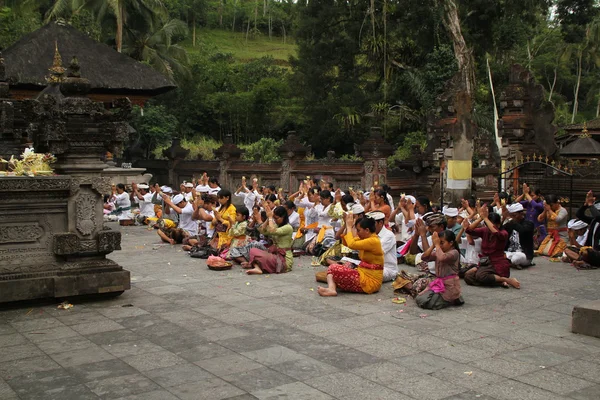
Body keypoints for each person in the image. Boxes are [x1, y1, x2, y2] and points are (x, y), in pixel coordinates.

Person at [318, 214, 384, 296]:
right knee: (333, 268)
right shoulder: (365, 238)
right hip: (362, 273)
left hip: (370, 281)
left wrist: (349, 227)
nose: (357, 233)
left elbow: (351, 244)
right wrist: (346, 225)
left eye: (358, 230)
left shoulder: (373, 241)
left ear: (367, 230)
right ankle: (331, 289)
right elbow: (346, 242)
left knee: (334, 267)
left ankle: (332, 288)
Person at [464, 206, 520, 289]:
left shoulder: (503, 233)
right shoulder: (485, 230)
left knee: (480, 276)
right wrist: (481, 218)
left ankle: (505, 279)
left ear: (498, 224)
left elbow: (496, 233)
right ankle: (500, 282)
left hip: (498, 264)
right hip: (485, 263)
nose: (489, 227)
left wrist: (486, 219)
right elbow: (469, 230)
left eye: (491, 224)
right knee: (468, 275)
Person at [415, 230, 463, 309]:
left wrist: (437, 245)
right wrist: (433, 245)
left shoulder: (454, 252)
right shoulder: (439, 251)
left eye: (442, 243)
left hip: (450, 286)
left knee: (430, 304)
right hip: (439, 283)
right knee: (420, 299)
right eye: (439, 242)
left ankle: (453, 298)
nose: (440, 245)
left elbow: (442, 258)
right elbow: (424, 257)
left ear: (451, 243)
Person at [246, 205, 294, 275]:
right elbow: (262, 230)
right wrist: (268, 218)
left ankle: (256, 265)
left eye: (276, 218)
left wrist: (271, 217)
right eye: (274, 218)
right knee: (253, 250)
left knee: (257, 254)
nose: (275, 220)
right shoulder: (276, 225)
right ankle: (257, 267)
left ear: (283, 217)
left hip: (284, 259)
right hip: (274, 255)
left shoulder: (288, 227)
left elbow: (272, 231)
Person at [368, 211, 397, 282]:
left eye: (372, 224)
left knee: (364, 274)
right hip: (371, 266)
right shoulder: (370, 234)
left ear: (380, 223)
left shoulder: (389, 235)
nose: (369, 226)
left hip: (387, 269)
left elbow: (374, 253)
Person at [503, 203, 535, 268]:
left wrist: (511, 221)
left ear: (521, 214)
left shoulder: (529, 223)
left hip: (523, 253)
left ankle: (509, 262)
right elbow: (501, 232)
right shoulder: (510, 223)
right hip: (509, 252)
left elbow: (522, 230)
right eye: (511, 215)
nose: (512, 217)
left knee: (516, 258)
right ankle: (509, 262)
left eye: (514, 215)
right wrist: (503, 219)